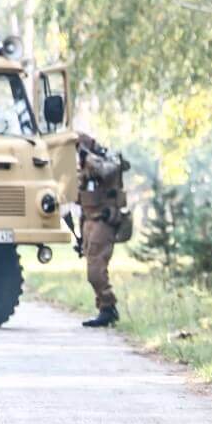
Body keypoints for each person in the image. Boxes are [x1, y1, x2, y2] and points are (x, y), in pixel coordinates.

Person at [77, 133, 132, 327]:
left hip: (104, 220)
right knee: (93, 268)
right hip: (90, 221)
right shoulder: (81, 168)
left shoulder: (108, 159)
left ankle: (109, 307)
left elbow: (106, 172)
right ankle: (105, 308)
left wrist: (87, 157)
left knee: (95, 270)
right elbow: (81, 199)